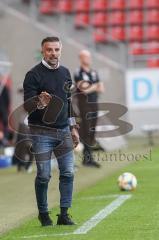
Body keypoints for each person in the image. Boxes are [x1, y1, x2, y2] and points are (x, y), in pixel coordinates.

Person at [23, 36, 79, 226]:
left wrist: (73, 128)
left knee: (68, 173)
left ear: (60, 50)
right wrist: (39, 102)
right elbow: (26, 107)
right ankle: (43, 213)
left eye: (56, 50)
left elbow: (69, 102)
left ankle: (64, 214)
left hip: (64, 130)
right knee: (44, 175)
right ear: (43, 51)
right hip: (41, 132)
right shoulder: (33, 75)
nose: (53, 53)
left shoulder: (65, 72)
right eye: (49, 50)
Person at [74, 50, 104, 168]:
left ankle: (89, 157)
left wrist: (92, 87)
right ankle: (87, 159)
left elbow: (102, 88)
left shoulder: (94, 72)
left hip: (94, 103)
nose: (89, 59)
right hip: (84, 104)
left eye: (89, 57)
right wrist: (95, 86)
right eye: (87, 57)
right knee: (86, 130)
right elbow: (84, 89)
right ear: (81, 58)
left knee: (92, 130)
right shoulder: (78, 72)